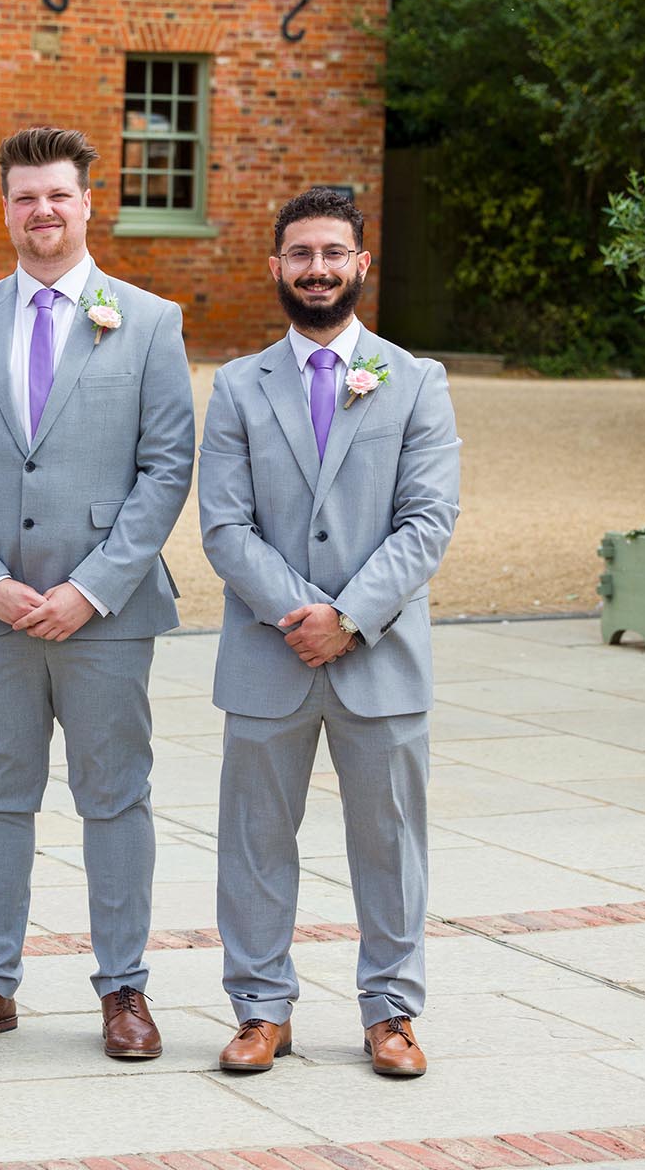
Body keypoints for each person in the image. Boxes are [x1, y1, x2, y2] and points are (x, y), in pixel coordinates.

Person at [0, 126, 194, 1057]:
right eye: (25, 197)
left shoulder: (148, 321)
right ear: (5, 209)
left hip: (103, 614)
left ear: (86, 205)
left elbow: (166, 469)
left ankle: (124, 989)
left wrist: (94, 586)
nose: (42, 212)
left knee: (115, 797)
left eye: (58, 196)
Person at [199, 186, 460, 1078]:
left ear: (360, 264)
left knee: (390, 842)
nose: (317, 270)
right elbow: (224, 527)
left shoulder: (416, 381)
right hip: (267, 654)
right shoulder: (237, 386)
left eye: (333, 254)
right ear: (276, 267)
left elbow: (428, 521)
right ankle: (260, 1009)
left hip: (379, 656)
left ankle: (392, 1012)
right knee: (255, 840)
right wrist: (297, 615)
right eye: (301, 255)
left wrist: (347, 619)